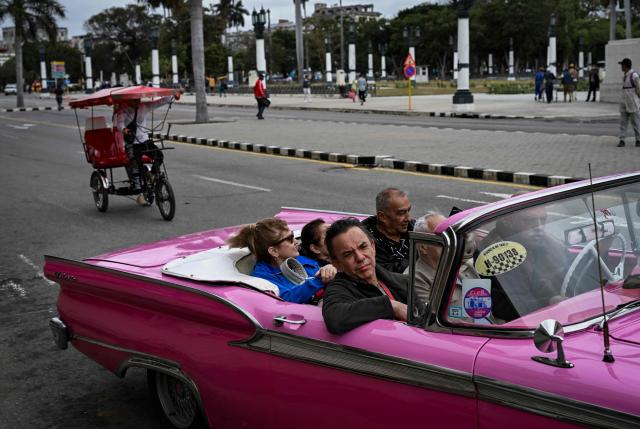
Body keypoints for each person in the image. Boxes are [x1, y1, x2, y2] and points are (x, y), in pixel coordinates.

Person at [322, 218, 409, 334]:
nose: (360, 257)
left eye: (363, 247)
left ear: (373, 247)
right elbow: (335, 318)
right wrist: (392, 306)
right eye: (348, 254)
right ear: (337, 263)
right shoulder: (339, 288)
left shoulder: (403, 281)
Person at [227, 217, 337, 304]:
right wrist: (321, 278)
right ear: (274, 251)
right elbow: (286, 300)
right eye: (289, 239)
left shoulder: (300, 260)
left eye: (293, 235)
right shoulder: (263, 278)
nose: (295, 241)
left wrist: (331, 269)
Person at [113, 94, 175, 205]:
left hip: (144, 140)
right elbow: (120, 123)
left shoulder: (143, 106)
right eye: (134, 99)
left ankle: (151, 174)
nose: (138, 101)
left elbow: (158, 103)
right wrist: (124, 130)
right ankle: (139, 194)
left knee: (159, 156)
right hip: (131, 143)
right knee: (135, 165)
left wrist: (172, 96)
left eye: (138, 98)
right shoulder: (123, 110)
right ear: (129, 99)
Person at [362, 188, 415, 273]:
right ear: (382, 216)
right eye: (401, 213)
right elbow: (390, 274)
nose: (408, 218)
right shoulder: (367, 243)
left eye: (408, 210)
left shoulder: (414, 228)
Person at [617, 57, 640, 148]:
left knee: (636, 122)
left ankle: (638, 139)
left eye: (622, 65)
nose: (621, 67)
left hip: (632, 101)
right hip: (624, 101)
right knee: (623, 122)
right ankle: (622, 140)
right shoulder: (624, 75)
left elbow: (638, 87)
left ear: (625, 66)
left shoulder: (634, 75)